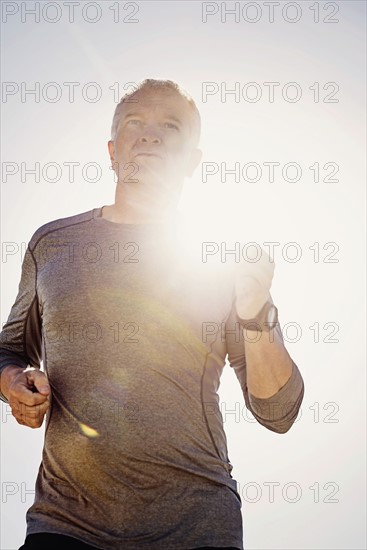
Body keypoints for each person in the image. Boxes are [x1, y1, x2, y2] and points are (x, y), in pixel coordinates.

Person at [0, 79, 304, 550]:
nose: (150, 134)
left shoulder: (223, 261)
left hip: (198, 526)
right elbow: (8, 350)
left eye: (171, 126)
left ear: (192, 161)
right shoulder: (52, 244)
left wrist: (254, 312)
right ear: (112, 148)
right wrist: (13, 382)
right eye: (135, 124)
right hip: (65, 524)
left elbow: (277, 411)